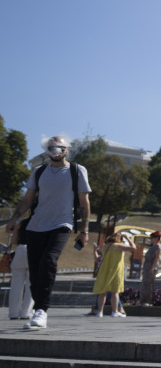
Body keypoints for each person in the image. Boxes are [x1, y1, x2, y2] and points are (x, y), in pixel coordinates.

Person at [5, 136, 91, 330]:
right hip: (36, 225)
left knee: (49, 261)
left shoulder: (77, 171)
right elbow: (27, 200)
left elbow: (84, 203)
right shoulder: (39, 171)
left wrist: (84, 230)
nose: (55, 150)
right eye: (50, 147)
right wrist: (14, 218)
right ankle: (37, 309)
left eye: (59, 147)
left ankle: (42, 310)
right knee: (34, 271)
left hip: (62, 224)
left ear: (66, 149)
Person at [93, 232, 136, 317]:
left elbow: (98, 259)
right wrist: (128, 238)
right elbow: (133, 248)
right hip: (115, 271)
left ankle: (100, 312)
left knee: (102, 293)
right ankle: (115, 311)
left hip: (104, 271)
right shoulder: (118, 246)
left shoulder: (105, 247)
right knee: (114, 292)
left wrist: (94, 250)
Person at [6, 227, 32, 321]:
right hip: (34, 250)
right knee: (31, 285)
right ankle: (26, 312)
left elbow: (13, 240)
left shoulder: (22, 223)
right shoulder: (42, 221)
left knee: (16, 285)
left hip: (20, 249)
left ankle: (13, 313)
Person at [140, 231, 161, 305]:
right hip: (147, 266)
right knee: (145, 284)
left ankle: (147, 301)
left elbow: (157, 258)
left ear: (156, 238)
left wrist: (152, 268)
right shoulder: (153, 246)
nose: (151, 239)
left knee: (149, 284)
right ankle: (143, 300)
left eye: (152, 237)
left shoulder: (158, 247)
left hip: (151, 267)